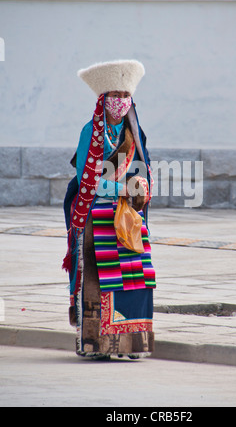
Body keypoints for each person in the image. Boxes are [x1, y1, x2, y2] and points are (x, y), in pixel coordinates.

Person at [63, 59, 156, 360]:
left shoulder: (134, 133)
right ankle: (95, 344)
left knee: (134, 279)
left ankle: (131, 345)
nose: (120, 102)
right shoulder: (91, 132)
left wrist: (140, 187)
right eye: (114, 96)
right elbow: (86, 181)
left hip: (128, 217)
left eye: (124, 96)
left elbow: (143, 170)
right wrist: (123, 189)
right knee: (98, 281)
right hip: (96, 215)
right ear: (103, 100)